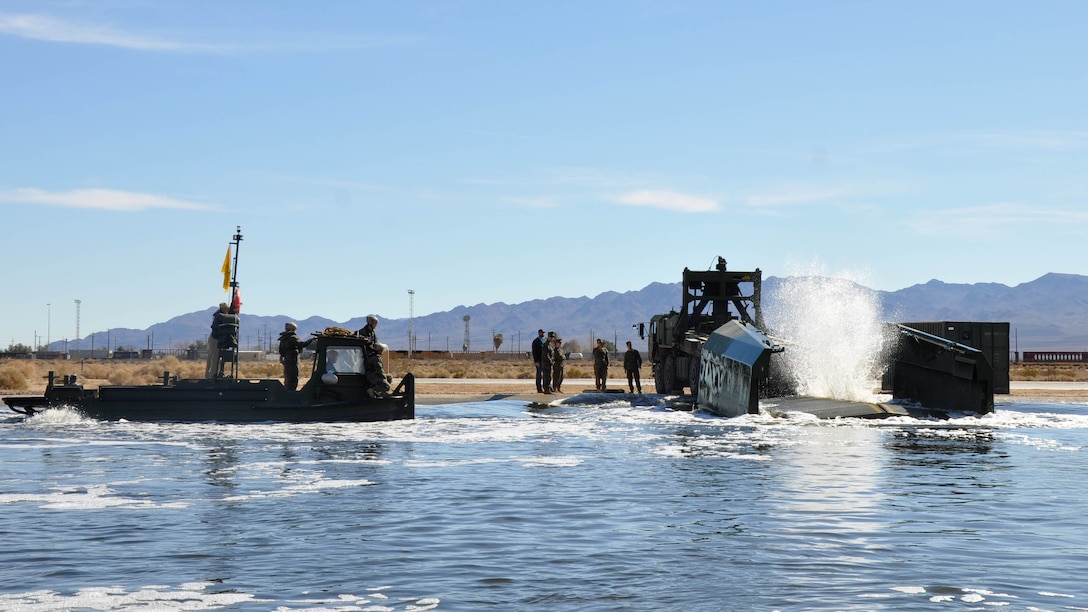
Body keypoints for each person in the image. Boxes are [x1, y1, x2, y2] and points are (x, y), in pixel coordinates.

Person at [357, 315, 392, 398]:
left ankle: (379, 392)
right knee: (386, 384)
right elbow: (379, 369)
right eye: (375, 323)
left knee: (389, 377)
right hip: (365, 357)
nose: (376, 325)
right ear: (371, 323)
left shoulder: (372, 332)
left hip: (370, 358)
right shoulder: (363, 332)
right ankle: (373, 390)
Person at [278, 322, 313, 391]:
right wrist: (311, 340)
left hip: (287, 360)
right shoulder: (293, 337)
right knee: (293, 377)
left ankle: (287, 391)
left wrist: (282, 359)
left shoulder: (283, 338)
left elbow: (281, 351)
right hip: (293, 360)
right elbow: (301, 344)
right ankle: (291, 393)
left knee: (287, 377)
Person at [204, 302, 229, 378]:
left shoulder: (218, 316)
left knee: (212, 358)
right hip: (214, 340)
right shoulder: (219, 316)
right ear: (223, 309)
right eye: (226, 309)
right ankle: (211, 377)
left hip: (214, 339)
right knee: (214, 358)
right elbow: (223, 319)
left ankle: (209, 376)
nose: (227, 310)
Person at [215, 306, 240, 378]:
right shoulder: (221, 316)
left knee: (220, 358)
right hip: (225, 342)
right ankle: (219, 373)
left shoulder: (222, 318)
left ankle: (219, 373)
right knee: (218, 359)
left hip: (223, 342)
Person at [531, 329, 546, 393]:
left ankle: (546, 387)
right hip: (539, 361)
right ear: (539, 333)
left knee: (546, 375)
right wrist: (536, 361)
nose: (543, 334)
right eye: (542, 333)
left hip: (544, 360)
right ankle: (539, 388)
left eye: (543, 333)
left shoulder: (544, 341)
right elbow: (534, 352)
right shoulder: (536, 341)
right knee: (539, 375)